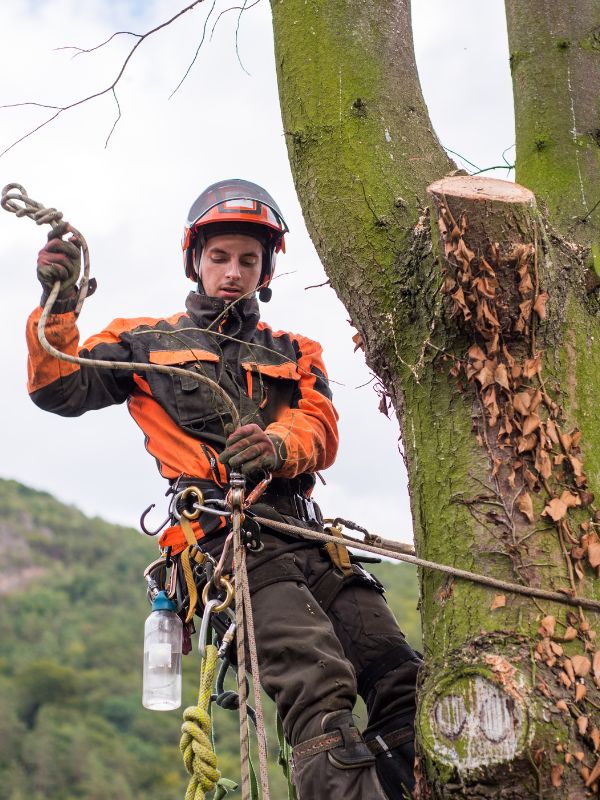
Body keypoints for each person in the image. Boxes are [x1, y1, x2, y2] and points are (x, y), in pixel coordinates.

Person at [26, 178, 421, 799]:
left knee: (402, 678)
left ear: (265, 270)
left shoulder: (295, 351)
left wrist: (280, 445)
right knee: (319, 688)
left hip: (308, 538)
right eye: (219, 257)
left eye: (247, 259)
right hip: (226, 547)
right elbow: (59, 385)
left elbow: (320, 426)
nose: (232, 272)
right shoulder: (145, 342)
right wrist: (60, 299)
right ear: (196, 260)